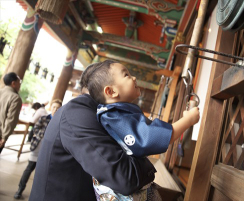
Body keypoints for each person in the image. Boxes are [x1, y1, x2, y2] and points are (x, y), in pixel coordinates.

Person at [81, 60, 200, 200]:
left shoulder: (113, 114)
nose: (134, 78)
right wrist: (188, 120)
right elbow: (148, 138)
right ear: (111, 91)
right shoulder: (114, 117)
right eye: (126, 75)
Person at [29, 70, 156, 201]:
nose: (134, 78)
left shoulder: (98, 114)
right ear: (107, 87)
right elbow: (126, 178)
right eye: (125, 75)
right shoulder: (77, 113)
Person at [14, 99, 62, 199]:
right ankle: (20, 189)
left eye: (58, 108)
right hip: (37, 147)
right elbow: (35, 129)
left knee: (43, 175)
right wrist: (45, 134)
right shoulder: (44, 118)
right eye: (54, 107)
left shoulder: (61, 122)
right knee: (28, 170)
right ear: (50, 107)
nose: (55, 109)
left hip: (48, 153)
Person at [0, 72, 22, 154]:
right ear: (13, 83)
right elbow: (11, 120)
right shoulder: (15, 98)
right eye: (19, 82)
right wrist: (4, 137)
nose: (20, 85)